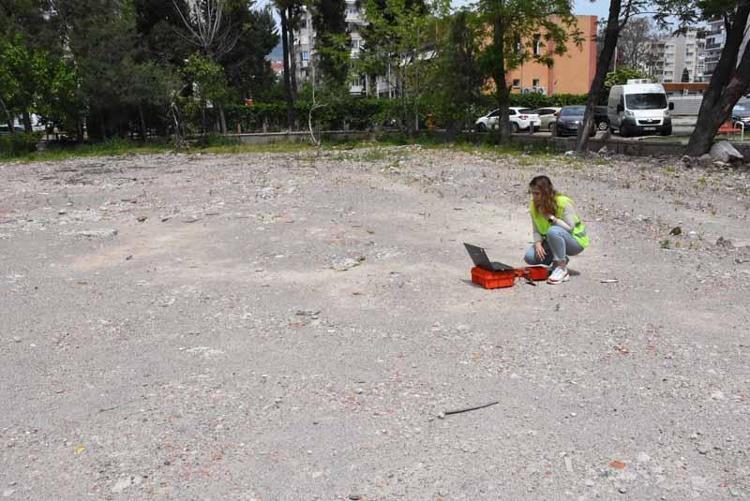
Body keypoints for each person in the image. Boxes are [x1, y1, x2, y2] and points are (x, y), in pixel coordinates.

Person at [523, 175, 589, 284]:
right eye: (532, 193)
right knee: (530, 257)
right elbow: (536, 230)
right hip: (552, 240)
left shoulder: (563, 203)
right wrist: (538, 243)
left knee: (553, 231)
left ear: (546, 192)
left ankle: (561, 268)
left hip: (575, 242)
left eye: (537, 193)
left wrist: (551, 218)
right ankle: (558, 260)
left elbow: (570, 228)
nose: (534, 197)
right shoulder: (534, 206)